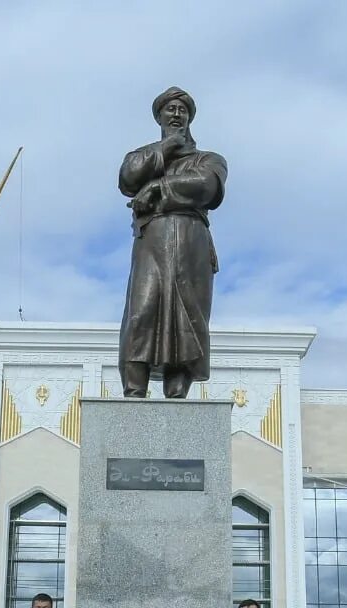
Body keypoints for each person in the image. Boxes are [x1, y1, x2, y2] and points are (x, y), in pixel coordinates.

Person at [117, 86, 228, 398]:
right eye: (170, 109)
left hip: (191, 243)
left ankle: (177, 392)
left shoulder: (209, 159)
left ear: (190, 117)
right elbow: (128, 178)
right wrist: (165, 147)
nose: (176, 114)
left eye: (182, 109)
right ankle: (134, 389)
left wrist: (159, 189)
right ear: (159, 117)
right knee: (142, 310)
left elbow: (205, 186)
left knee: (187, 317)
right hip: (151, 241)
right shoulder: (143, 156)